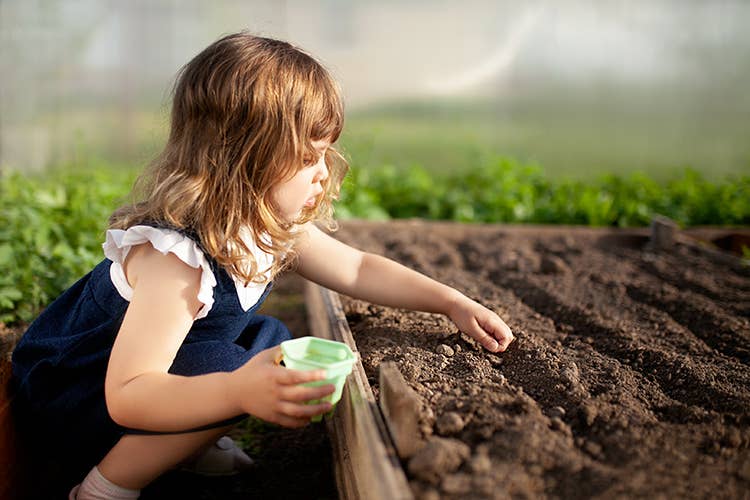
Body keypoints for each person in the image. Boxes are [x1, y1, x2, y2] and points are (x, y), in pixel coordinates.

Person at [11, 32, 515, 499]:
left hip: (143, 385)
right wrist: (236, 391)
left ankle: (179, 444)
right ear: (246, 158)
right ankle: (107, 484)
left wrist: (450, 302)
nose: (323, 173)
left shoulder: (268, 226)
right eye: (309, 156)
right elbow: (127, 394)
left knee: (269, 343)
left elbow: (358, 269)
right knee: (238, 371)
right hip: (76, 397)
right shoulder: (177, 262)